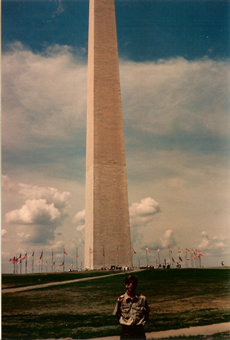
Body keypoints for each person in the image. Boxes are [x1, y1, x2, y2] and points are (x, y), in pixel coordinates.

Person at [113, 274, 149, 339]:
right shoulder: (121, 299)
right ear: (125, 285)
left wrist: (142, 323)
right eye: (128, 283)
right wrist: (124, 322)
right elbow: (117, 313)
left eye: (133, 283)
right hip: (126, 331)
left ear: (136, 284)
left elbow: (147, 313)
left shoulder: (142, 299)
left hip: (139, 331)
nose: (131, 285)